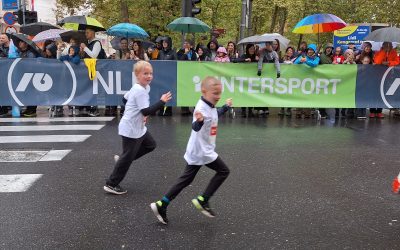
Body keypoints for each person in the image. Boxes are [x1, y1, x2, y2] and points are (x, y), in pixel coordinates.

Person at [150, 76, 232, 224]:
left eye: (220, 93)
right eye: (215, 93)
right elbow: (195, 126)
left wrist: (225, 107)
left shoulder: (210, 105)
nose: (218, 97)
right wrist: (199, 122)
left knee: (186, 179)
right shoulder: (200, 108)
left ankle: (162, 204)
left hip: (199, 149)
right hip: (202, 151)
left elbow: (214, 116)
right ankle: (203, 200)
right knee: (224, 171)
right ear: (204, 91)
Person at [103, 61, 172, 194]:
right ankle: (111, 184)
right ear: (137, 75)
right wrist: (162, 101)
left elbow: (125, 99)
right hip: (130, 129)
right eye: (145, 73)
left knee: (150, 145)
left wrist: (138, 112)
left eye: (151, 73)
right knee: (128, 158)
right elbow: (146, 111)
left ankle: (123, 159)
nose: (149, 76)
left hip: (138, 127)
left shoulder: (142, 87)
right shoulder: (140, 90)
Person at [81, 28, 107, 117]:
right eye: (85, 33)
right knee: (91, 88)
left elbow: (94, 55)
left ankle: (94, 108)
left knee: (95, 88)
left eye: (87, 32)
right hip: (91, 69)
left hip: (97, 69)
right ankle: (90, 107)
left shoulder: (96, 43)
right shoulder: (90, 44)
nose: (86, 34)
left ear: (92, 33)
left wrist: (85, 48)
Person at [370, 42, 400, 119]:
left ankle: (379, 111)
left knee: (382, 94)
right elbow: (377, 61)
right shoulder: (379, 52)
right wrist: (383, 52)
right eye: (386, 45)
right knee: (374, 94)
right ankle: (372, 111)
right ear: (383, 46)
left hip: (387, 76)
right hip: (376, 76)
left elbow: (397, 62)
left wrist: (389, 62)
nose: (388, 47)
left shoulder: (393, 52)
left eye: (390, 45)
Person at [294, 44, 320, 118]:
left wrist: (306, 62)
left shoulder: (316, 58)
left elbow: (315, 64)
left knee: (308, 96)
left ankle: (307, 112)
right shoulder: (302, 56)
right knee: (300, 95)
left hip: (311, 80)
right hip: (301, 79)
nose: (310, 51)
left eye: (312, 50)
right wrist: (300, 61)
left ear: (314, 51)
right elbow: (295, 63)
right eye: (309, 49)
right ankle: (298, 111)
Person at [17, 39, 38, 117]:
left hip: (29, 75)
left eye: (21, 42)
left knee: (31, 92)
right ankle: (28, 109)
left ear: (26, 44)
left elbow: (31, 65)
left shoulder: (30, 53)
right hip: (23, 75)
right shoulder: (20, 52)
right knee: (26, 93)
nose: (19, 43)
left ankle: (32, 110)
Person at [157, 36, 176, 116]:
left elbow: (176, 63)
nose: (164, 44)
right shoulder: (160, 52)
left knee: (168, 93)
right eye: (163, 42)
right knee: (161, 93)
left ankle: (168, 110)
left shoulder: (172, 52)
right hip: (161, 76)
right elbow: (157, 63)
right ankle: (161, 109)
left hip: (169, 77)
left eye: (165, 42)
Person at [238, 44, 258, 117]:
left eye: (253, 49)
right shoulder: (244, 56)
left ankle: (250, 110)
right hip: (244, 78)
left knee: (251, 94)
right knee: (244, 94)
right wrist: (245, 60)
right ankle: (243, 110)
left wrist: (257, 60)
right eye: (250, 49)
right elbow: (235, 60)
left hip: (253, 79)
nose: (252, 50)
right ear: (247, 49)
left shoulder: (256, 57)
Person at [0, 33, 11, 117]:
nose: (1, 39)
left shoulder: (13, 47)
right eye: (0, 38)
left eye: (3, 38)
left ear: (8, 39)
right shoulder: (1, 47)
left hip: (10, 72)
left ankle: (6, 107)